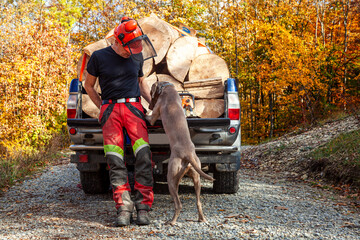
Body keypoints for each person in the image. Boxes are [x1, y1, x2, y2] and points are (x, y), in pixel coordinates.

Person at [84, 16, 157, 227]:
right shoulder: (99, 57)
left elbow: (141, 83)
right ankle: (123, 207)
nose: (132, 52)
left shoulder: (137, 54)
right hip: (110, 109)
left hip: (133, 108)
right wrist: (102, 108)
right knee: (115, 159)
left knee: (143, 155)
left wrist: (152, 104)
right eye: (129, 48)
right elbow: (89, 86)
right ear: (117, 41)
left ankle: (143, 207)